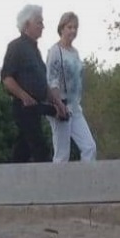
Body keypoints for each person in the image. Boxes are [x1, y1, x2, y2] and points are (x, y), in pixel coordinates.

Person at [2, 4, 69, 163]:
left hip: (36, 107)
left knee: (22, 151)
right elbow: (7, 78)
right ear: (27, 25)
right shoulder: (16, 47)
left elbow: (43, 84)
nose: (43, 26)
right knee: (40, 148)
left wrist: (58, 103)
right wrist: (23, 96)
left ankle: (11, 177)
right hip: (24, 107)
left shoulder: (34, 51)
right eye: (39, 22)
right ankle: (46, 179)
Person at [46, 11, 98, 163]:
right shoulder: (55, 51)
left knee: (89, 147)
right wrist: (58, 105)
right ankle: (58, 179)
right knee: (62, 154)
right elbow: (52, 80)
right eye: (69, 27)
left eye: (75, 28)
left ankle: (86, 176)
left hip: (75, 106)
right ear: (62, 28)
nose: (73, 31)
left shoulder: (75, 52)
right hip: (60, 105)